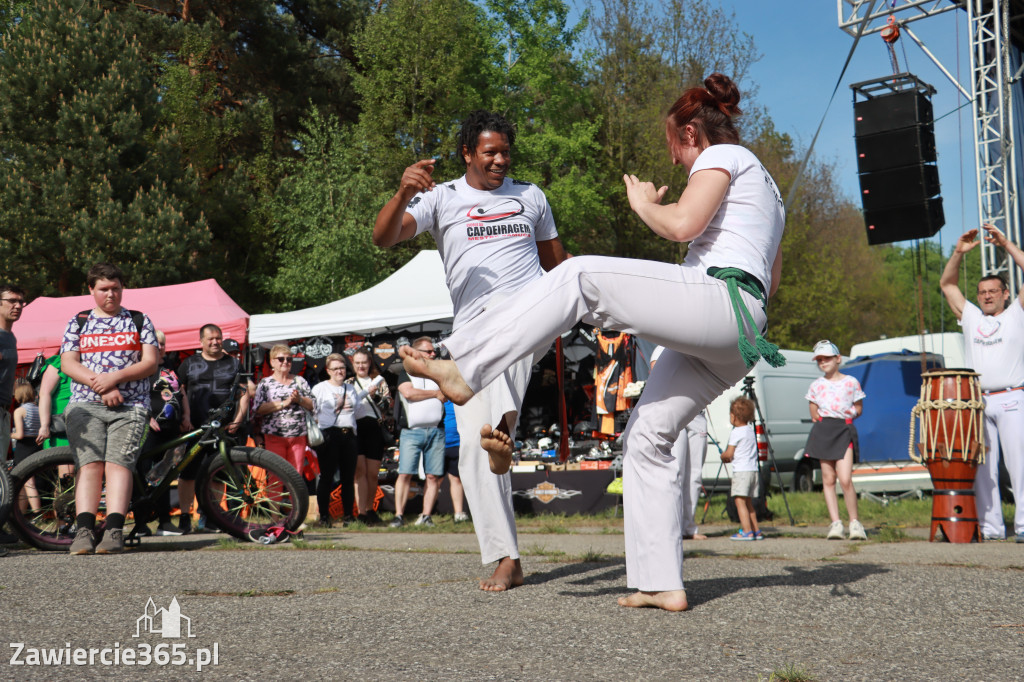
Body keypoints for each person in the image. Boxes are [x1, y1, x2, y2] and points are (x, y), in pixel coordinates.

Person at [400, 74, 786, 611]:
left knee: (580, 276)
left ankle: (464, 368)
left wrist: (641, 203)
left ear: (692, 133)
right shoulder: (770, 190)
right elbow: (770, 271)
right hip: (740, 330)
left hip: (723, 305)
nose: (674, 160)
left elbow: (680, 224)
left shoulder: (726, 157)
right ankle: (660, 583)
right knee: (646, 436)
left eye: (673, 145)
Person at [373, 109, 568, 590]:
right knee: (474, 453)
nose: (500, 160)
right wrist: (403, 192)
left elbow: (559, 266)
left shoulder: (531, 197)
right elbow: (383, 239)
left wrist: (574, 311)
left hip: (529, 310)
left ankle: (474, 395)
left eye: (505, 151)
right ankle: (507, 551)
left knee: (497, 346)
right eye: (490, 152)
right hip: (473, 331)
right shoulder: (442, 199)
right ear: (467, 153)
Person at [61, 262, 159, 554]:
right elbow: (68, 363)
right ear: (91, 290)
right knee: (89, 466)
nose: (111, 294)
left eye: (116, 288)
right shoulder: (77, 321)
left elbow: (150, 362)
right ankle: (84, 532)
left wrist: (114, 378)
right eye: (104, 289)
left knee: (119, 464)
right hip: (84, 405)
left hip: (131, 406)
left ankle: (114, 531)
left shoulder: (140, 320)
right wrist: (100, 385)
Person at [939, 224, 1024, 542]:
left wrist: (1006, 244)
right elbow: (947, 284)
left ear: (1005, 293)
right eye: (982, 292)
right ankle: (991, 527)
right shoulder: (971, 315)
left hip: (1013, 397)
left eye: (993, 292)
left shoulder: (1017, 312)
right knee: (984, 468)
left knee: (1020, 463)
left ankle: (1023, 524)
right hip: (977, 400)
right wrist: (958, 254)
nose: (987, 296)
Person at [177, 324, 249, 533]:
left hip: (224, 429)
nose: (215, 342)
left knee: (218, 475)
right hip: (194, 428)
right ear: (201, 341)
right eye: (210, 339)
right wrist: (185, 416)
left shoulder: (235, 364)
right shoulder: (188, 364)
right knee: (188, 474)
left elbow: (243, 394)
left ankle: (212, 517)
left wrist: (237, 420)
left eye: (218, 338)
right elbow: (179, 390)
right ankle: (184, 517)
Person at [804, 340, 867, 541]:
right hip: (824, 430)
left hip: (844, 429)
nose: (823, 363)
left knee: (845, 478)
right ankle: (836, 523)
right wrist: (822, 418)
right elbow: (813, 410)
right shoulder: (816, 385)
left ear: (838, 359)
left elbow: (859, 407)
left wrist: (848, 413)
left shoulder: (851, 382)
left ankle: (855, 523)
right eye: (819, 360)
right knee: (828, 479)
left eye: (827, 358)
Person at [389, 337, 446, 528]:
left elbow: (447, 392)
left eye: (433, 351)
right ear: (416, 353)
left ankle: (426, 515)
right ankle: (398, 515)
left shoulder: (437, 373)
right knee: (405, 473)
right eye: (428, 351)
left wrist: (439, 393)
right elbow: (408, 393)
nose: (433, 354)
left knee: (433, 475)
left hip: (436, 430)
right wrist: (436, 394)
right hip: (411, 432)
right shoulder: (406, 372)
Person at [311, 353, 370, 527]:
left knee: (348, 478)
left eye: (342, 368)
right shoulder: (320, 388)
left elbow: (359, 411)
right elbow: (313, 412)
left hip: (349, 435)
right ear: (328, 371)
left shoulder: (350, 388)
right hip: (329, 434)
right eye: (335, 368)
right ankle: (324, 517)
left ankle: (348, 516)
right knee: (327, 477)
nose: (340, 371)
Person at [142, 330, 186, 536]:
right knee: (142, 475)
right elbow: (133, 396)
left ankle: (165, 523)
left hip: (172, 429)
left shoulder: (171, 368)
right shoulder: (142, 367)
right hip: (148, 430)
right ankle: (140, 524)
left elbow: (181, 393)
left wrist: (187, 417)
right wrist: (146, 417)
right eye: (155, 343)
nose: (159, 347)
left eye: (162, 344)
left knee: (165, 475)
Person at [252, 344, 314, 473]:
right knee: (276, 476)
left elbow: (312, 405)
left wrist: (299, 400)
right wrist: (283, 403)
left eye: (289, 359)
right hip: (274, 436)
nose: (285, 362)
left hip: (298, 436)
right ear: (272, 362)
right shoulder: (265, 383)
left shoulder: (300, 381)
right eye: (281, 359)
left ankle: (294, 495)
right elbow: (258, 408)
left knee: (296, 475)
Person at [348, 348, 392, 525]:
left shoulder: (379, 381)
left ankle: (370, 508)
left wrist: (375, 396)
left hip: (374, 428)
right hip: (356, 428)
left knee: (373, 473)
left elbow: (387, 405)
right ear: (353, 363)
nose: (361, 366)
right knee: (360, 472)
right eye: (357, 363)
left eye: (364, 362)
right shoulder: (349, 382)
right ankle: (361, 512)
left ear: (369, 363)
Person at [719, 397, 763, 541]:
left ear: (734, 416)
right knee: (749, 503)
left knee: (739, 501)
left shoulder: (736, 432)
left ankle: (746, 531)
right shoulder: (750, 431)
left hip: (742, 472)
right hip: (753, 471)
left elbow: (729, 454)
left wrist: (723, 455)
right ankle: (756, 530)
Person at [0, 283, 25, 461]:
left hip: (4, 410)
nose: (17, 305)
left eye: (21, 302)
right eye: (11, 301)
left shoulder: (11, 337)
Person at [35, 353, 72, 450]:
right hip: (61, 425)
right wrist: (44, 425)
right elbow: (44, 394)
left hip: (86, 420)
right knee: (65, 459)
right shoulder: (59, 362)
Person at [443, 399, 469, 522]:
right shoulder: (435, 391)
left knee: (456, 477)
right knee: (433, 478)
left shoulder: (462, 394)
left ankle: (458, 513)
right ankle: (426, 516)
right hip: (439, 439)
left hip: (459, 441)